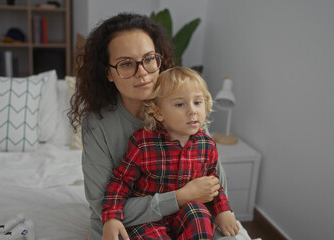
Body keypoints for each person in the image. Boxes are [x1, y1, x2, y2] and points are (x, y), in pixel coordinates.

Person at [69, 13, 233, 240]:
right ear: (108, 72)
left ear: (159, 59)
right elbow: (103, 208)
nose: (142, 72)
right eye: (126, 64)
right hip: (135, 229)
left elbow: (212, 187)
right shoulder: (97, 125)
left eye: (149, 58)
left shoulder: (188, 112)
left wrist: (216, 209)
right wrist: (181, 196)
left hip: (191, 219)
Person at [101, 67, 240, 239]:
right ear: (159, 112)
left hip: (187, 214)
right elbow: (120, 181)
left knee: (199, 214)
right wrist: (111, 217)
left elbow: (212, 183)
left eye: (197, 102)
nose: (192, 111)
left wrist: (223, 210)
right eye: (180, 104)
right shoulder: (143, 143)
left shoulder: (207, 145)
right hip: (150, 219)